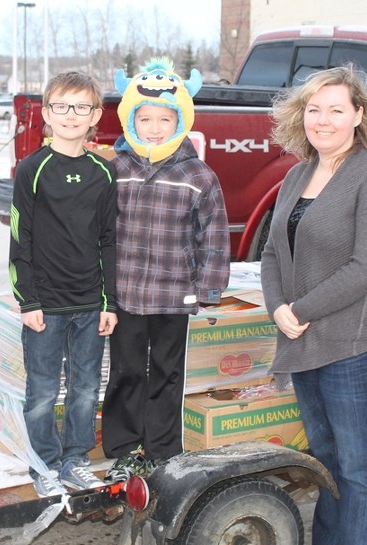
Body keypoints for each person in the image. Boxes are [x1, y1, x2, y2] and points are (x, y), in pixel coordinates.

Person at [260, 65, 367, 545]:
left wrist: (301, 309)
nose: (323, 119)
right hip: (304, 336)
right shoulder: (298, 174)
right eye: (314, 109)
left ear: (358, 116)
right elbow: (273, 249)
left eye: (336, 109)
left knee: (360, 467)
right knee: (327, 462)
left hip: (356, 343)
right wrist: (278, 306)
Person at [101, 57, 230, 482]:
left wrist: (209, 287)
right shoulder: (115, 171)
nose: (154, 127)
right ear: (130, 120)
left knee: (166, 371)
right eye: (145, 118)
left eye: (164, 118)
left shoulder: (199, 175)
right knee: (126, 370)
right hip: (126, 293)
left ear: (181, 120)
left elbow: (213, 235)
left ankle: (161, 448)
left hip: (175, 293)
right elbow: (97, 232)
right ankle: (123, 447)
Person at [8, 71, 118, 498]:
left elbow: (109, 240)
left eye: (82, 107)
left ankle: (75, 459)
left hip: (91, 304)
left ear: (96, 116)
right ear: (47, 115)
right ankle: (44, 462)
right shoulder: (32, 170)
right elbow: (22, 239)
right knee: (42, 391)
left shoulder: (102, 173)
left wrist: (109, 302)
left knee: (86, 387)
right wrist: (28, 300)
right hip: (46, 307)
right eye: (61, 107)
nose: (71, 115)